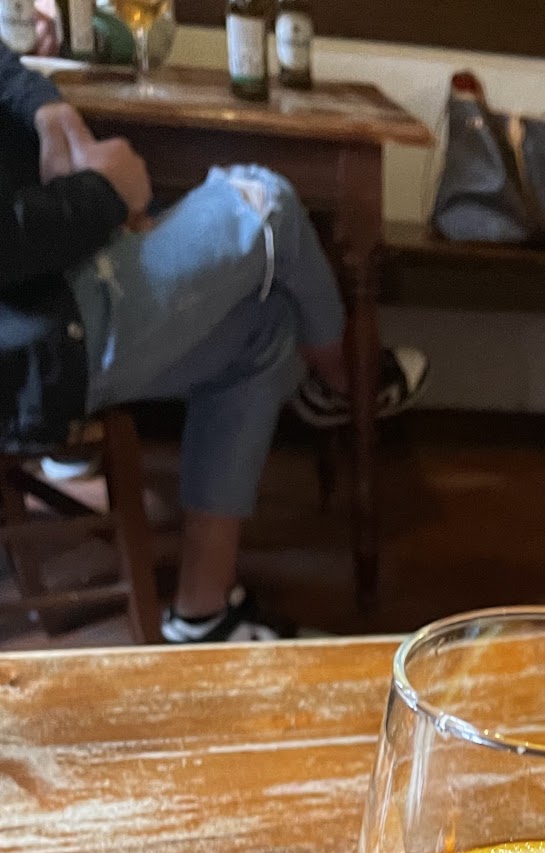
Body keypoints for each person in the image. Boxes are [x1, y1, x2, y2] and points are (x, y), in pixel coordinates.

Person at [0, 45, 427, 643]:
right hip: (35, 339)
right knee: (268, 202)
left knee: (267, 327)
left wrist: (50, 111)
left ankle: (203, 612)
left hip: (48, 299)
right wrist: (104, 192)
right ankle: (343, 382)